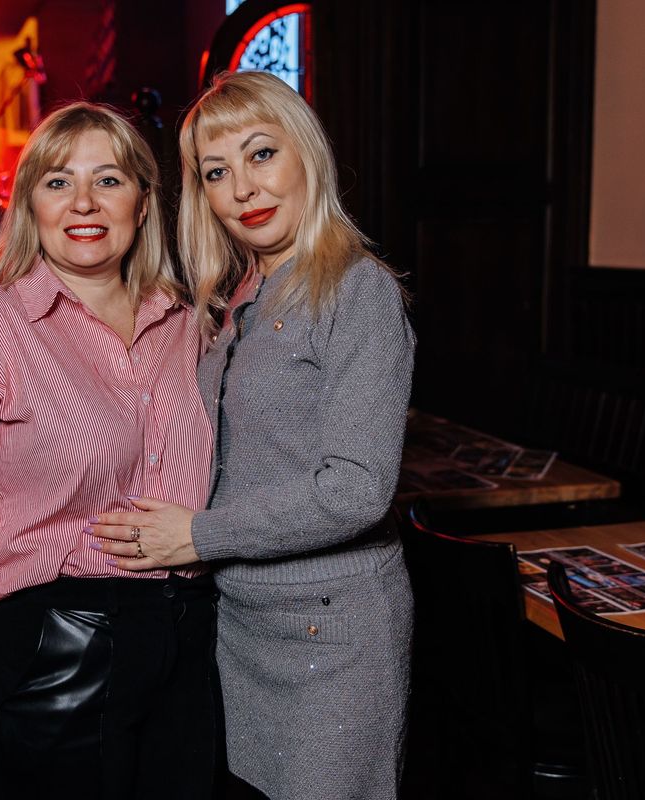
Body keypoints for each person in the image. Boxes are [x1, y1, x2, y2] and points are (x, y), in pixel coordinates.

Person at [90, 71, 416, 800]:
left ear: (307, 154)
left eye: (261, 154)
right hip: (242, 625)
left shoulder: (356, 288)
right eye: (216, 171)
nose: (243, 187)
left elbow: (357, 490)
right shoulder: (242, 293)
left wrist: (197, 535)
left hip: (331, 632)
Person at [0, 101, 217, 799]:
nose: (84, 203)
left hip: (190, 641)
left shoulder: (189, 327)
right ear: (29, 205)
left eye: (108, 180)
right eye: (58, 182)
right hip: (56, 651)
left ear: (142, 202)